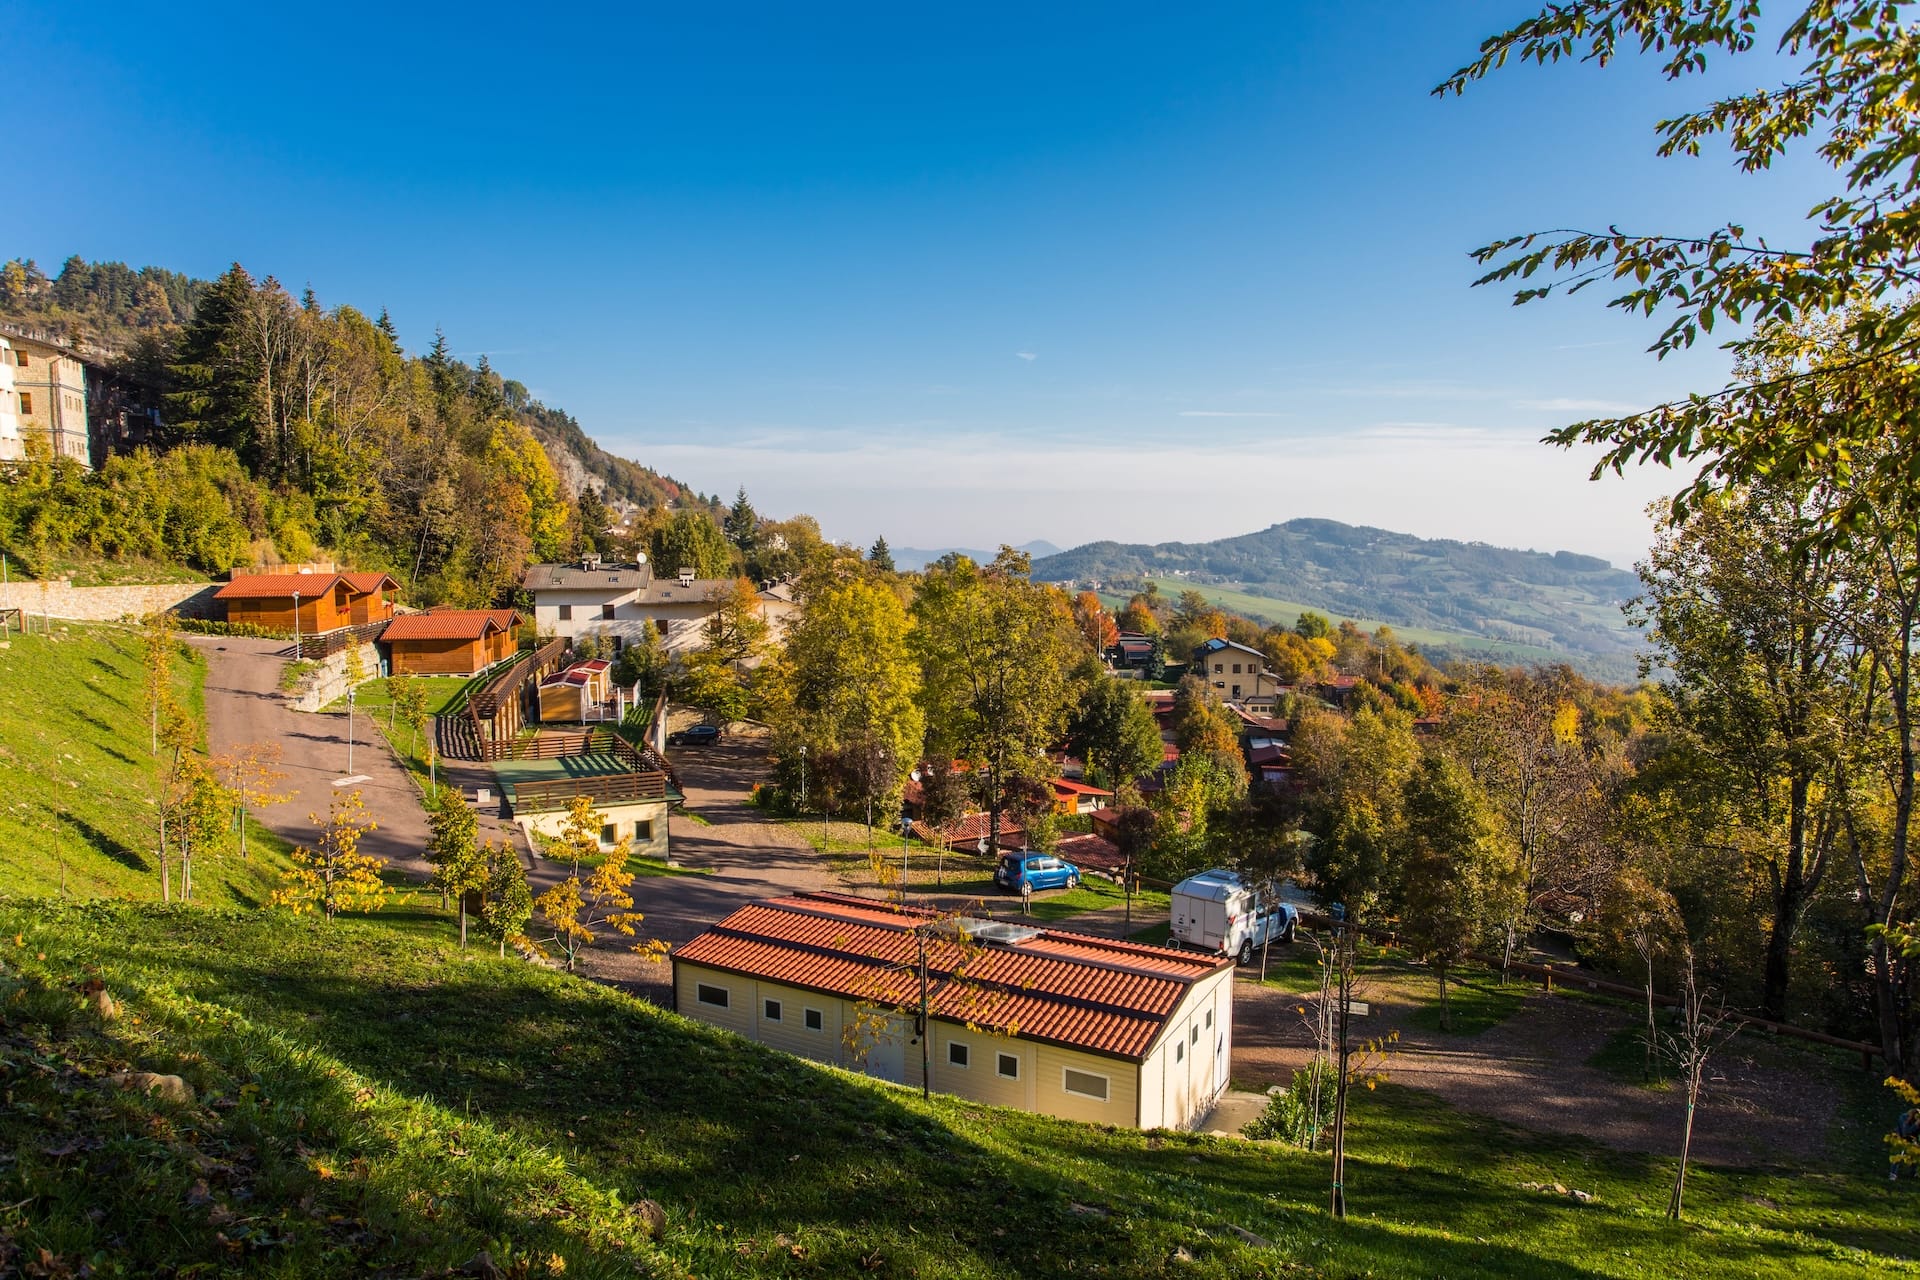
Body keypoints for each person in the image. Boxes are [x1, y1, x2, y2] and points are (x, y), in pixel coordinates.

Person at [1893, 1106, 1920, 1182]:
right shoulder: (1904, 1117)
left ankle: (1913, 1173)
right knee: (1898, 1154)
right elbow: (1905, 1133)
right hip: (1900, 1136)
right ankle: (1893, 1174)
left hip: (1912, 1137)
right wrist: (1916, 1124)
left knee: (1916, 1152)